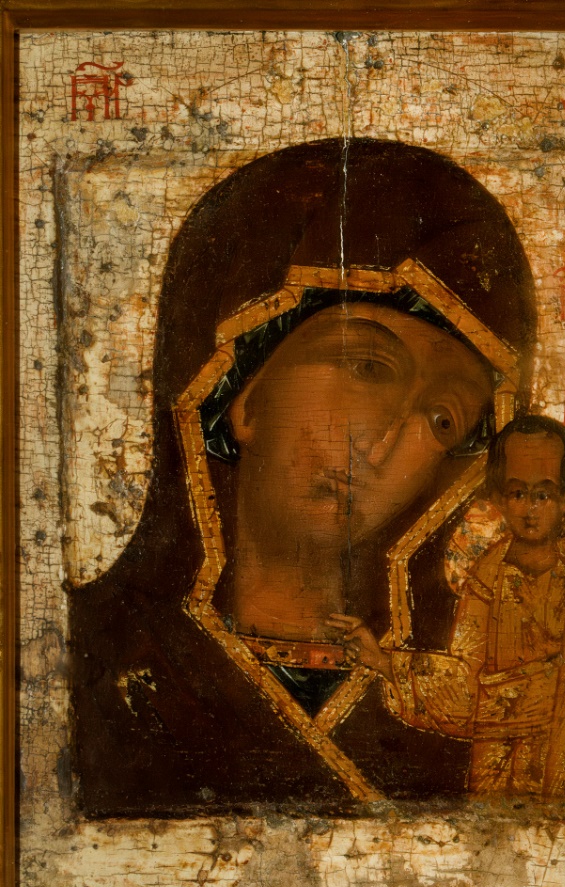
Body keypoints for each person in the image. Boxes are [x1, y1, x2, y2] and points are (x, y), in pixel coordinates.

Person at [70, 138, 537, 814]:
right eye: (366, 367)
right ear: (244, 397)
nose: (383, 443)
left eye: (441, 419)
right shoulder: (91, 652)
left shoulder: (465, 691)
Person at [330, 415, 565, 799]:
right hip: (497, 783)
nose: (530, 509)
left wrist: (533, 690)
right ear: (498, 497)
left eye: (543, 495)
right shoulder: (487, 577)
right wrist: (383, 662)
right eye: (518, 493)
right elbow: (468, 693)